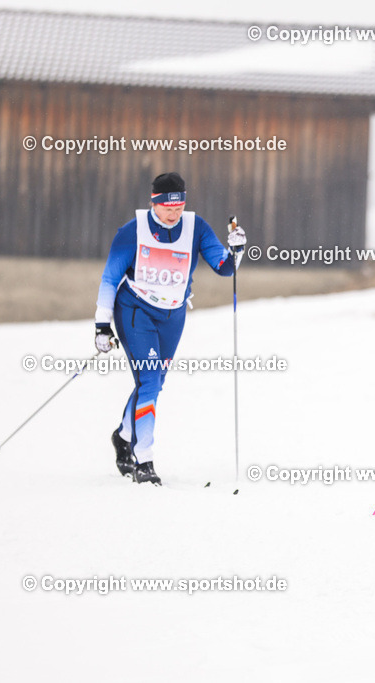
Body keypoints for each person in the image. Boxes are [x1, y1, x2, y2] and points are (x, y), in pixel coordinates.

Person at [94, 172, 246, 485]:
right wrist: (102, 324)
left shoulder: (196, 227)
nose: (174, 214)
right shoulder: (133, 230)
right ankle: (144, 460)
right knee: (149, 379)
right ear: (154, 203)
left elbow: (224, 268)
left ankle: (123, 436)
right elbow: (110, 278)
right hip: (135, 309)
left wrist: (237, 250)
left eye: (179, 208)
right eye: (167, 208)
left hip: (173, 315)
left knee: (154, 383)